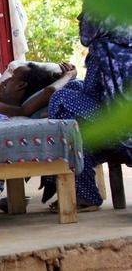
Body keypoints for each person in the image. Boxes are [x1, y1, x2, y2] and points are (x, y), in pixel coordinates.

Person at [41, 11, 132, 211]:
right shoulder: (124, 43)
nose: (80, 18)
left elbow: (91, 91)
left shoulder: (103, 50)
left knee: (62, 103)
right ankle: (63, 181)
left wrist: (66, 80)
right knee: (72, 94)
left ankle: (72, 186)